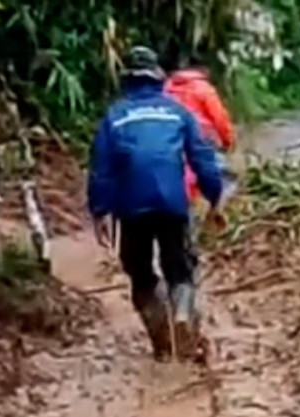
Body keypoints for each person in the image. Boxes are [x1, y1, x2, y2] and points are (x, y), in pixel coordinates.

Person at [87, 45, 225, 361]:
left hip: (131, 209)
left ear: (127, 80)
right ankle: (181, 316)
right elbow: (202, 158)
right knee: (181, 270)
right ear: (158, 77)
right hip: (173, 204)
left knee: (141, 275)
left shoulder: (115, 117)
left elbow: (102, 171)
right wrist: (215, 197)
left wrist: (99, 212)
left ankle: (162, 342)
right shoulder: (177, 112)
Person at [165, 54, 237, 211]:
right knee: (227, 179)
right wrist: (228, 141)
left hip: (171, 142)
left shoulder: (167, 87)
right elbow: (220, 118)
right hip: (202, 142)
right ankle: (216, 212)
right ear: (203, 70)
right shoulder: (204, 89)